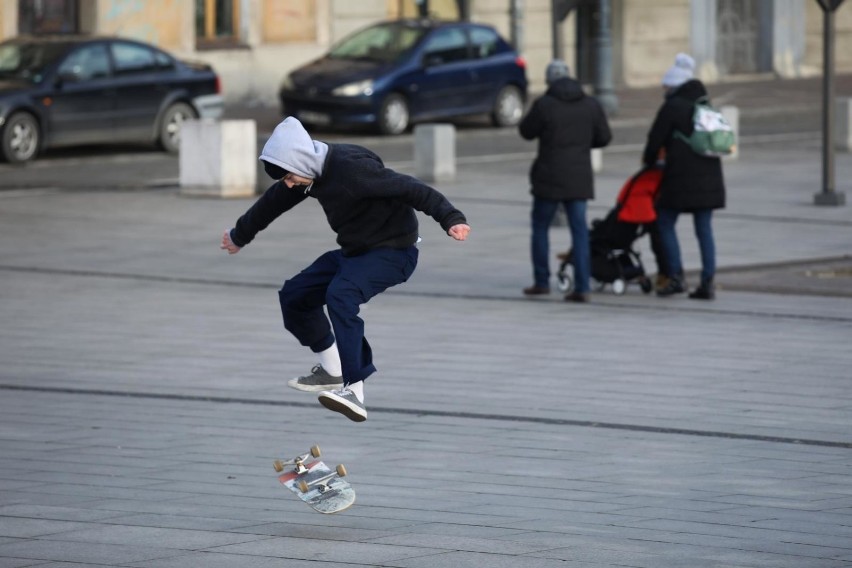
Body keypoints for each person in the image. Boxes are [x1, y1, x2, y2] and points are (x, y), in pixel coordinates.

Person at [220, 117, 470, 422]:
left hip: (394, 253)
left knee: (341, 295)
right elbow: (272, 202)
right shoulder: (307, 173)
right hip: (354, 253)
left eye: (288, 177)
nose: (289, 184)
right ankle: (333, 370)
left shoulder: (353, 170)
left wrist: (451, 218)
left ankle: (355, 390)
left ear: (300, 161)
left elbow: (412, 189)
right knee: (295, 294)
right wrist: (239, 235)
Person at [519, 59, 612, 302]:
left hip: (548, 176)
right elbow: (604, 137)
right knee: (579, 231)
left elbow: (526, 131)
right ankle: (582, 286)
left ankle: (541, 281)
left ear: (549, 81)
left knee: (540, 228)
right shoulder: (590, 104)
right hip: (579, 177)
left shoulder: (545, 104)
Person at [642, 53, 726, 300]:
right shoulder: (705, 105)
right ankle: (707, 281)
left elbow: (654, 139)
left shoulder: (672, 107)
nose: (664, 89)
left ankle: (676, 277)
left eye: (666, 85)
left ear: (674, 85)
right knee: (704, 228)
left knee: (665, 221)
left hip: (680, 178)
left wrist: (648, 162)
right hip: (710, 177)